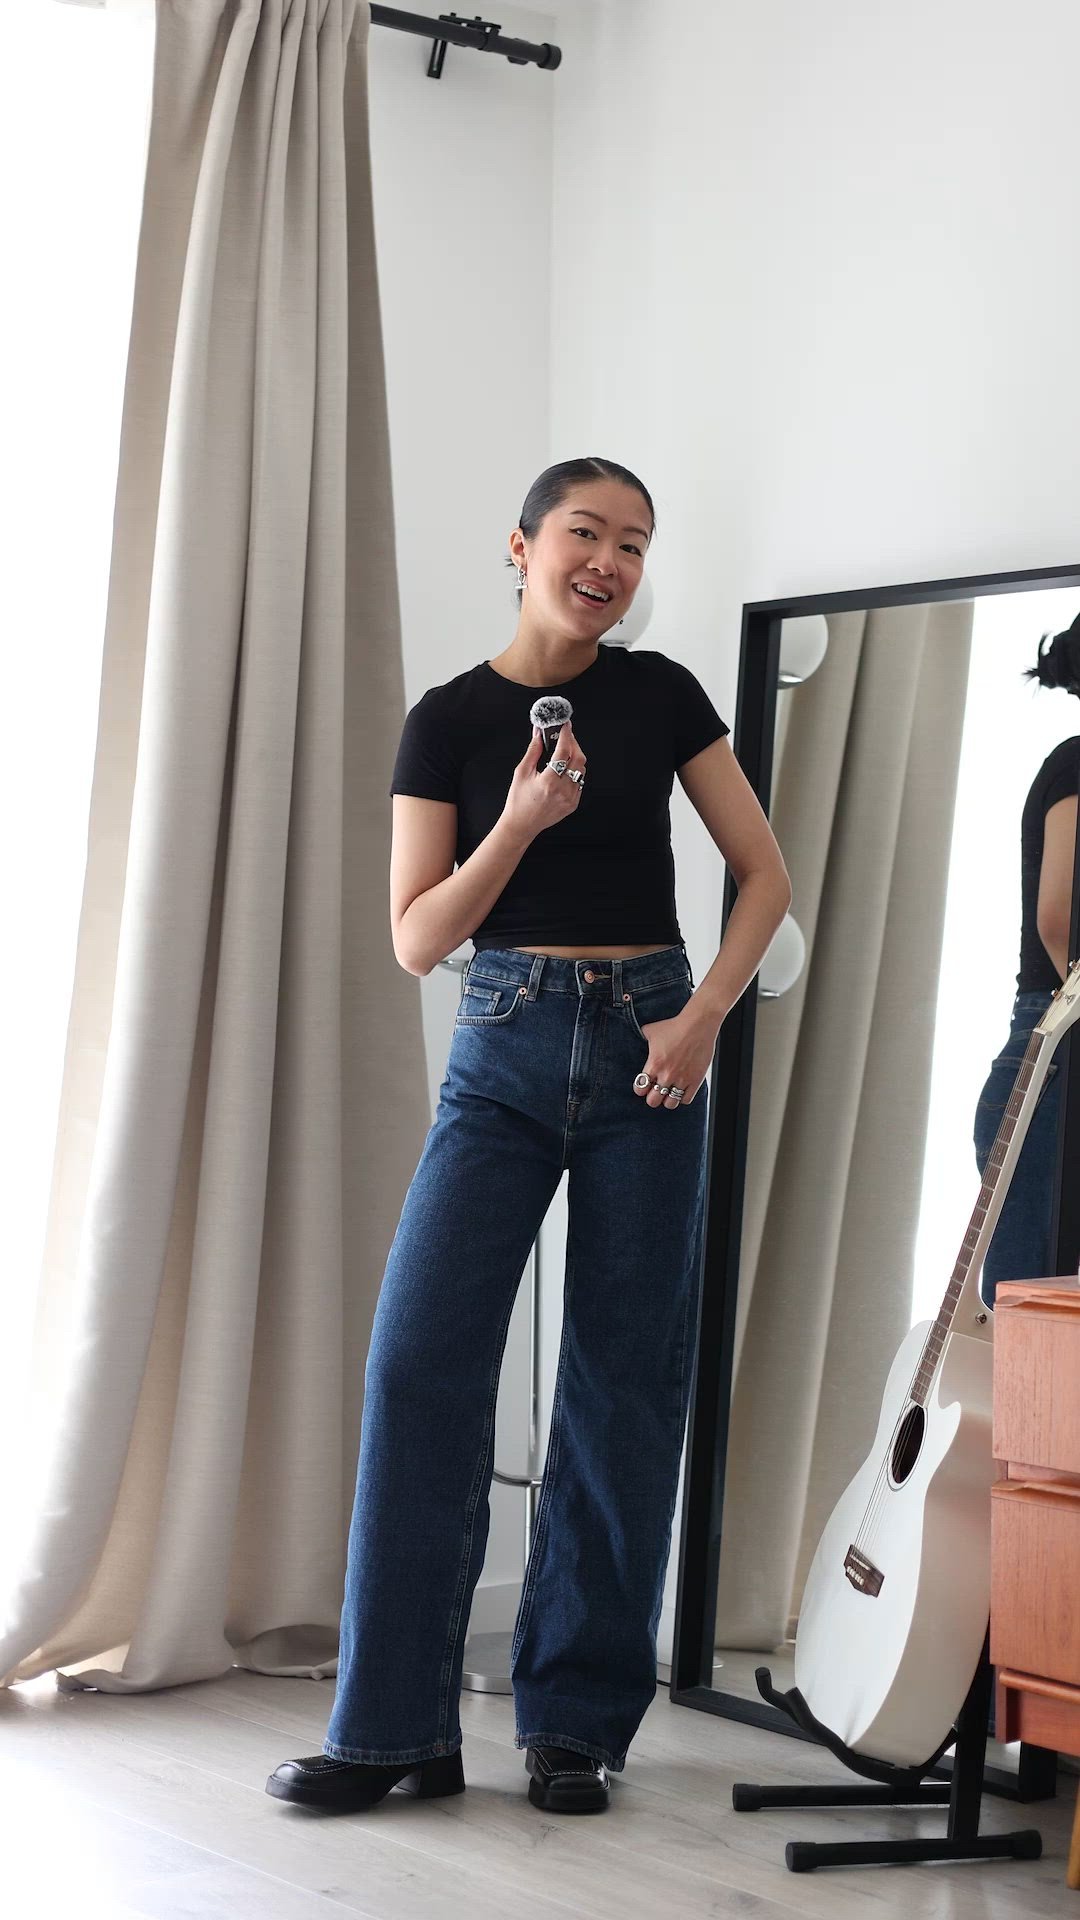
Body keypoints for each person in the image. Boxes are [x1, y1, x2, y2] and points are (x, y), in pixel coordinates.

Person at [266, 456, 791, 1815]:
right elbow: (416, 936)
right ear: (521, 545)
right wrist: (517, 821)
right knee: (419, 1364)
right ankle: (393, 1732)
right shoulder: (447, 720)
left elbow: (765, 873)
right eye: (585, 532)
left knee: (623, 1383)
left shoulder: (663, 694)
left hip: (653, 1045)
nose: (609, 560)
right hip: (501, 1039)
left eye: (634, 542)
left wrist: (704, 1018)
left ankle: (574, 1725)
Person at [973, 616, 1080, 1308]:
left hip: (1051, 1060)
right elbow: (1061, 918)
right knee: (1032, 1333)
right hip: (1054, 1058)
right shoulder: (1076, 761)